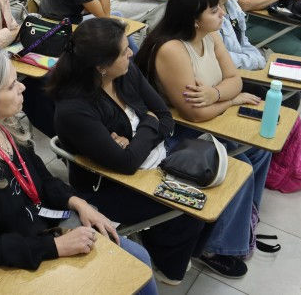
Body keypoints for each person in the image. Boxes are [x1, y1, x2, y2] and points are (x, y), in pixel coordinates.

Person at [0, 47, 157, 295]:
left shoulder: (7, 128)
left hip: (39, 229)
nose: (22, 87)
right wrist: (56, 247)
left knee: (139, 260)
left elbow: (43, 180)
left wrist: (78, 202)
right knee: (121, 275)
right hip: (12, 261)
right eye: (11, 86)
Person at [47, 17, 206, 285]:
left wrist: (135, 140)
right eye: (123, 52)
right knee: (191, 204)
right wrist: (148, 124)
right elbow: (127, 163)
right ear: (101, 66)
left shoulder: (124, 72)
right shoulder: (74, 108)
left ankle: (170, 243)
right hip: (111, 187)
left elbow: (166, 117)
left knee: (208, 184)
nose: (131, 53)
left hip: (153, 160)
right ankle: (168, 267)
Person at [135, 0, 272, 279]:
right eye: (214, 10)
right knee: (239, 167)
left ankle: (243, 219)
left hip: (211, 118)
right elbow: (194, 114)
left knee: (260, 149)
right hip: (175, 132)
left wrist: (214, 94)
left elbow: (236, 79)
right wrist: (230, 99)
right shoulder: (172, 49)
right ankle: (216, 248)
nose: (222, 13)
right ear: (194, 19)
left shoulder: (211, 34)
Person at [191, 0, 301, 109]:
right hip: (221, 78)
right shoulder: (206, 16)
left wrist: (256, 59)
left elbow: (244, 42)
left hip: (239, 70)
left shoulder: (231, 3)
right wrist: (255, 61)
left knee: (291, 93)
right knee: (283, 99)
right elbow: (221, 58)